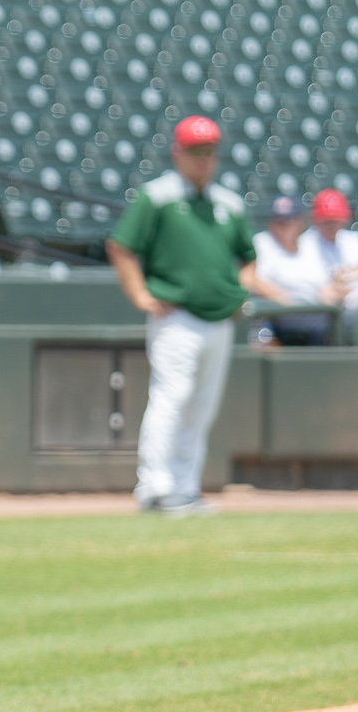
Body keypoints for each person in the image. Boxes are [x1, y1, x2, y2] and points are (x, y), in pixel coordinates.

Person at [104, 116, 271, 516]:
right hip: (176, 316)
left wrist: (239, 293)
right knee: (171, 398)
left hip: (219, 320)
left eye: (209, 151)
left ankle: (185, 486)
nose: (203, 159)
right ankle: (155, 488)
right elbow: (121, 246)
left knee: (202, 405)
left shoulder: (227, 203)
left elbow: (248, 256)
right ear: (177, 152)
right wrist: (141, 295)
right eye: (196, 151)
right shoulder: (157, 196)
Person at [249, 195, 337, 346]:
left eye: (287, 221)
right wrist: (288, 301)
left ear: (299, 222)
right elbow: (253, 280)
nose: (281, 226)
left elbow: (325, 285)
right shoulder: (262, 242)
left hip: (313, 322)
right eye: (277, 221)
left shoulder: (311, 245)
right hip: (275, 322)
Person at [302, 189, 358, 309]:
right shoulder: (305, 245)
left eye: (336, 220)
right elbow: (324, 293)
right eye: (327, 220)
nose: (332, 225)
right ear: (316, 219)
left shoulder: (355, 240)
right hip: (340, 312)